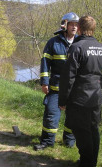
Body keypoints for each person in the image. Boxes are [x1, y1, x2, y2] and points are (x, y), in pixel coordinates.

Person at [59, 16, 102, 166]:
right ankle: (92, 162)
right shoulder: (101, 47)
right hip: (96, 98)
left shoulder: (77, 47)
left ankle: (86, 163)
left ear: (79, 27)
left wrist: (63, 100)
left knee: (81, 131)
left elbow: (68, 77)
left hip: (80, 99)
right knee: (93, 129)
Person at [33, 12, 79, 151]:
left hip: (74, 89)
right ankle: (47, 142)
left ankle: (69, 142)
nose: (74, 27)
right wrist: (44, 82)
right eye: (71, 24)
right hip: (56, 87)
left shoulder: (80, 43)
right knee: (51, 115)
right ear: (64, 25)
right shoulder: (53, 42)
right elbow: (45, 63)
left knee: (73, 117)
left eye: (76, 25)